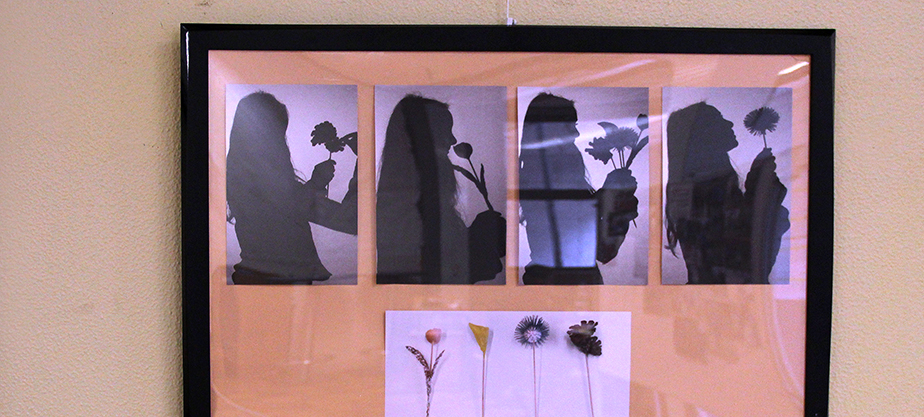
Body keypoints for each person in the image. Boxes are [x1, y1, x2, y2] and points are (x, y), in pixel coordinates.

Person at [226, 91, 357, 285]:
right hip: (282, 286)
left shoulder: (239, 183)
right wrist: (361, 165)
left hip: (254, 280)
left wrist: (316, 184)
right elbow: (349, 220)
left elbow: (288, 209)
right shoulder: (277, 190)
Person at [375, 94, 505, 284]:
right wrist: (479, 238)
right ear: (418, 138)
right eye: (444, 131)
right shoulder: (401, 204)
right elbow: (429, 271)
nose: (452, 140)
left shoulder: (403, 198)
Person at [664, 102, 789, 284]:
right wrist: (761, 193)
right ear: (703, 135)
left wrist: (758, 188)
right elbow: (745, 261)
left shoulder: (700, 190)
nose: (729, 123)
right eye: (718, 120)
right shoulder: (706, 193)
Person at [518, 93, 637, 285]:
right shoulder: (542, 186)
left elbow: (596, 247)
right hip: (569, 286)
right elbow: (600, 250)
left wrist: (609, 197)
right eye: (569, 126)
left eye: (574, 125)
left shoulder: (533, 181)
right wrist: (612, 199)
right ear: (550, 131)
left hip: (556, 284)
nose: (576, 134)